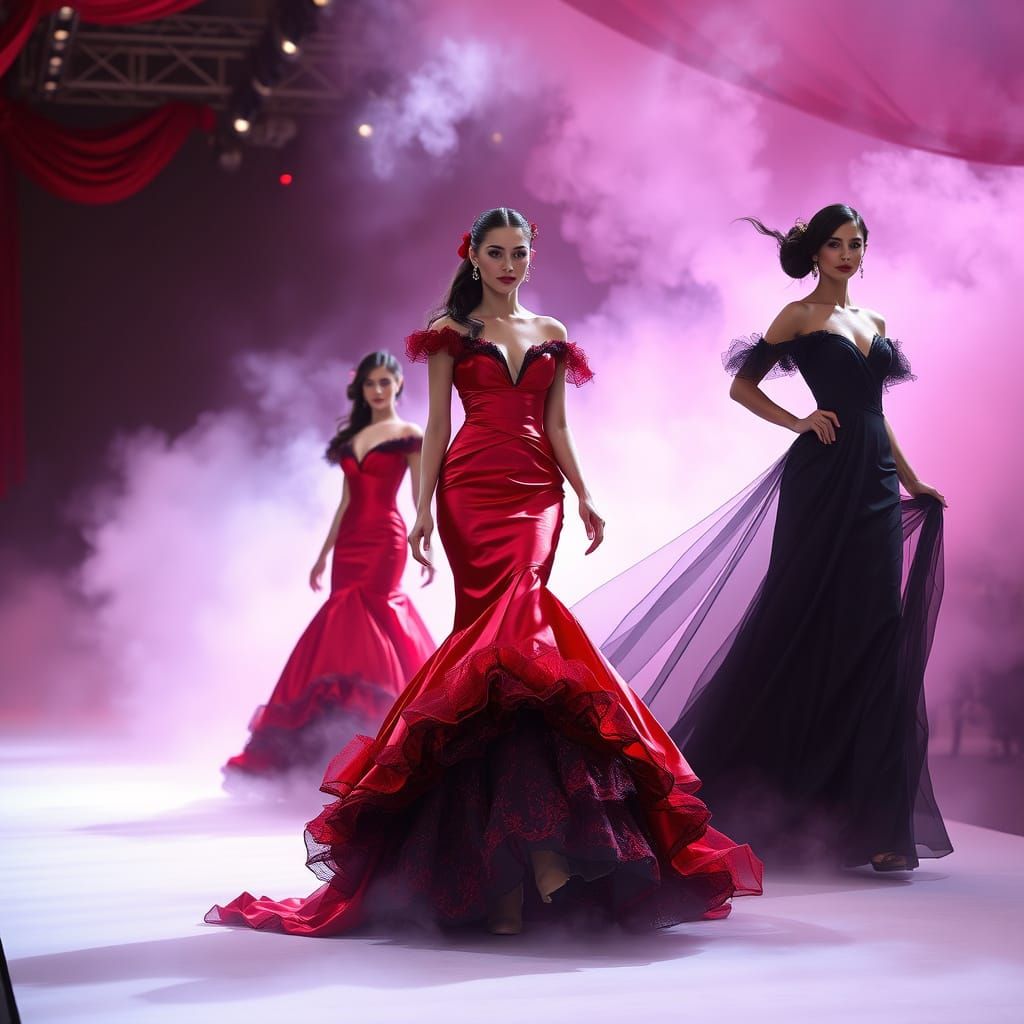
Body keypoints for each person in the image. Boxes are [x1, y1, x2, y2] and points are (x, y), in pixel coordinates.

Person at [206, 207, 761, 936]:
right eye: (495, 253)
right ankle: (514, 865)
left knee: (524, 648)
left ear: (532, 256)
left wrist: (586, 496)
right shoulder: (449, 335)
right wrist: (426, 511)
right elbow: (436, 427)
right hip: (469, 491)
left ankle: (521, 862)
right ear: (474, 258)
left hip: (537, 494)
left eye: (518, 252)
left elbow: (559, 424)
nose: (508, 264)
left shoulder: (553, 334)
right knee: (489, 661)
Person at [576, 204, 952, 871]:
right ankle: (776, 799)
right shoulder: (798, 317)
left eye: (856, 243)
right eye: (835, 243)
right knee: (802, 626)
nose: (847, 252)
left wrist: (913, 482)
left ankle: (878, 824)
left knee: (877, 635)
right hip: (821, 484)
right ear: (815, 252)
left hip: (875, 486)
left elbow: (876, 415)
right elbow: (741, 386)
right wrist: (798, 420)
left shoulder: (875, 322)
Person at [223, 352, 434, 787]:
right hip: (350, 542)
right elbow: (343, 503)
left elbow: (417, 495)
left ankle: (388, 740)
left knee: (372, 620)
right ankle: (329, 748)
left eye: (384, 382)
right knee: (341, 625)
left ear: (398, 384)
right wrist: (323, 554)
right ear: (361, 389)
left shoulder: (409, 434)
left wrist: (423, 535)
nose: (377, 391)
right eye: (370, 384)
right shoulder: (354, 436)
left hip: (385, 538)